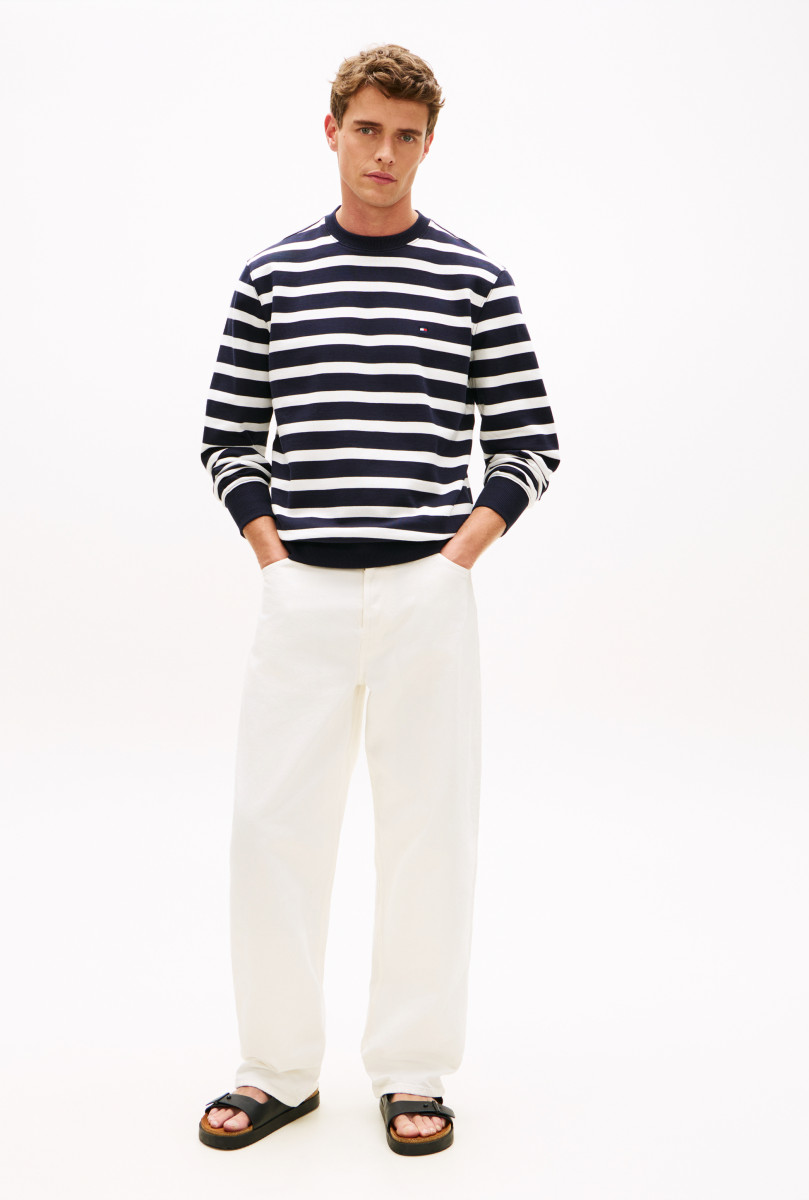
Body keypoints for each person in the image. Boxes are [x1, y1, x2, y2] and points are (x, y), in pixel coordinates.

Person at [197, 43, 560, 1156]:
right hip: (301, 592)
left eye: (407, 136)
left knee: (427, 834)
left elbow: (530, 441)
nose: (385, 153)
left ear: (428, 145)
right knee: (270, 829)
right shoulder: (273, 276)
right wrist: (272, 556)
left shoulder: (474, 280)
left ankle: (413, 1069)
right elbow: (227, 435)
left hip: (425, 596)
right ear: (332, 131)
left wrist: (455, 561)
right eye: (368, 129)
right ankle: (276, 1070)